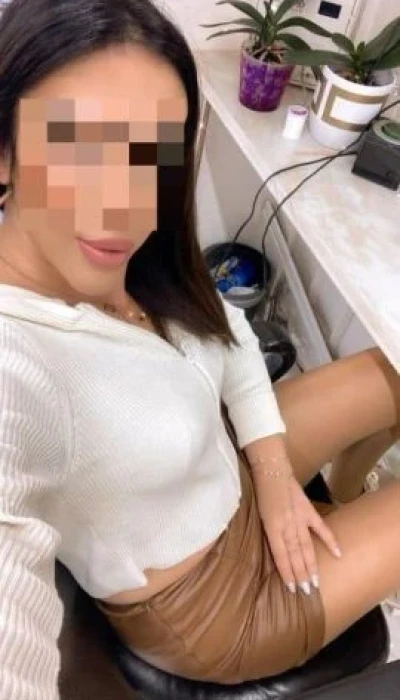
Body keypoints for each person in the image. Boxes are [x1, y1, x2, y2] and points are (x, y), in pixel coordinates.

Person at [0, 0, 399, 697]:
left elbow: (229, 333)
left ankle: (341, 493)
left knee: (390, 368)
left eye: (152, 155)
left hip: (224, 469)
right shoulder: (16, 361)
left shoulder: (121, 259)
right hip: (217, 606)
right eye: (78, 147)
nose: (123, 206)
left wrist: (275, 478)